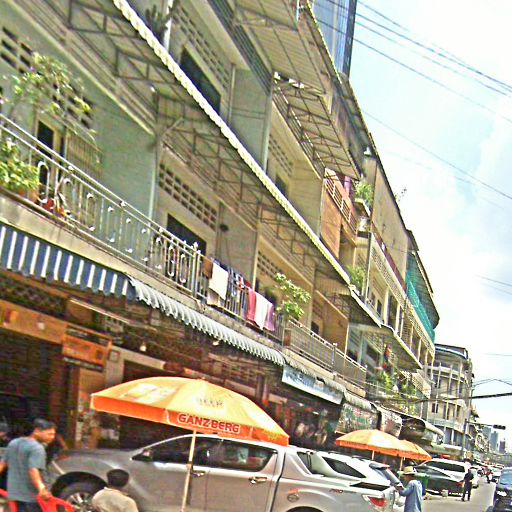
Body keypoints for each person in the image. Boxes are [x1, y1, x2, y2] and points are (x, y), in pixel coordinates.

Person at [0, 418, 56, 512]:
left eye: (53, 434)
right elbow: (33, 470)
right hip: (30, 498)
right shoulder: (37, 448)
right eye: (49, 434)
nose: (52, 437)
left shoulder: (13, 443)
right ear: (37, 431)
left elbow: (2, 464)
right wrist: (42, 489)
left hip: (14, 495)